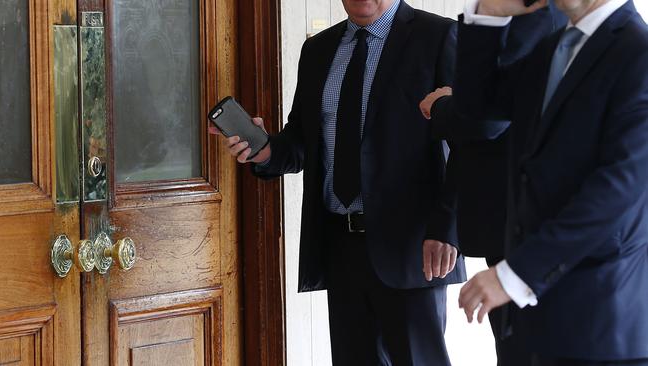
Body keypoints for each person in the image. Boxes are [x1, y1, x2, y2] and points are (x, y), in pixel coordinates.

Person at [210, 1, 466, 364]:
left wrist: (447, 228)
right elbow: (301, 141)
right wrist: (264, 149)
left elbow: (466, 145)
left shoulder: (438, 37)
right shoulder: (318, 50)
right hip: (340, 247)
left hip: (412, 249)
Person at [424, 0, 648, 364]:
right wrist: (487, 14)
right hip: (530, 324)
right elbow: (478, 108)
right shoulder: (553, 48)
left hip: (601, 325)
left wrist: (514, 275)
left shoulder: (638, 53)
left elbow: (616, 191)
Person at [418, 6, 566, 366]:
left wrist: (440, 106)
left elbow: (487, 119)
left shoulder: (538, 16)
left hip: (527, 228)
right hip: (512, 223)